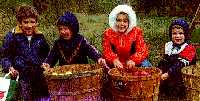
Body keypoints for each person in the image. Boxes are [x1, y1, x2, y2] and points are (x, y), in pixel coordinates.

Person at [1, 5, 50, 101]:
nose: (29, 25)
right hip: (21, 77)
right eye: (26, 22)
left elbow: (46, 55)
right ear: (19, 23)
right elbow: (4, 57)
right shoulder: (12, 36)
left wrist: (46, 64)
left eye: (32, 22)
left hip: (39, 77)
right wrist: (9, 67)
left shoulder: (40, 37)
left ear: (36, 22)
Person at [41, 11, 106, 71]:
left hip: (82, 74)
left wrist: (99, 59)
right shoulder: (58, 43)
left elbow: (91, 51)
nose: (63, 32)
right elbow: (52, 56)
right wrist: (47, 63)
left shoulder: (81, 40)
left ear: (73, 28)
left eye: (66, 29)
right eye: (60, 29)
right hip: (64, 75)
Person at [102, 4, 152, 70]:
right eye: (119, 20)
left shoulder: (136, 32)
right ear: (114, 21)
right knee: (103, 64)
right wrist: (114, 60)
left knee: (146, 64)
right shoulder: (108, 33)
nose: (121, 24)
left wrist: (134, 60)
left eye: (125, 21)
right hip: (116, 64)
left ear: (129, 22)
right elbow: (107, 51)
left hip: (132, 63)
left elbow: (142, 50)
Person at [158, 18, 196, 99]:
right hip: (168, 73)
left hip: (181, 75)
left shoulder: (189, 48)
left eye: (181, 33)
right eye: (174, 33)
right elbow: (164, 61)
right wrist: (160, 70)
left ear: (186, 34)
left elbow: (180, 65)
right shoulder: (169, 45)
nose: (177, 36)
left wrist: (168, 73)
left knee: (175, 88)